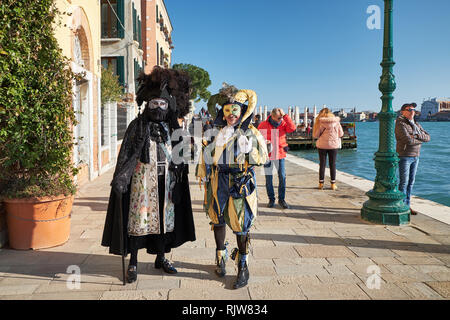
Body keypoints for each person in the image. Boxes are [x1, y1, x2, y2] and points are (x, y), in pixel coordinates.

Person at [101, 66, 196, 284]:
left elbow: (182, 155)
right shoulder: (137, 125)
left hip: (167, 183)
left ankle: (161, 258)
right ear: (148, 104)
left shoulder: (172, 127)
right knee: (139, 221)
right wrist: (121, 178)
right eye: (155, 104)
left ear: (168, 105)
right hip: (142, 183)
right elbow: (127, 154)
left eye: (163, 104)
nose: (159, 107)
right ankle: (133, 262)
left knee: (164, 222)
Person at [196, 84, 268, 289]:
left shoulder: (251, 131)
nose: (231, 115)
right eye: (227, 111)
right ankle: (220, 257)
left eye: (235, 110)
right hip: (218, 182)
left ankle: (243, 265)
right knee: (217, 220)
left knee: (241, 224)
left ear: (242, 111)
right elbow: (207, 156)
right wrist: (204, 171)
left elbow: (262, 158)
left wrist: (249, 147)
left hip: (239, 182)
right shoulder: (216, 131)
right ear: (222, 112)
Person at [395, 103, 430, 215]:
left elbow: (428, 137)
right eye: (409, 109)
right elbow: (407, 140)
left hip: (416, 156)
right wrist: (419, 139)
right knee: (403, 183)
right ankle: (400, 205)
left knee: (411, 183)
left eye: (414, 109)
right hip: (405, 155)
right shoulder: (400, 124)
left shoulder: (416, 124)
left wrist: (416, 136)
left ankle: (407, 205)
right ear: (402, 112)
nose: (412, 111)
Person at [257, 108, 296, 209]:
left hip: (280, 154)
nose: (280, 119)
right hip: (268, 155)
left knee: (282, 177)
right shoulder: (263, 125)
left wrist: (285, 116)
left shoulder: (283, 123)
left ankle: (282, 199)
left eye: (281, 117)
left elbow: (292, 128)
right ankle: (271, 199)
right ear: (272, 116)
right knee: (269, 179)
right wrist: (265, 141)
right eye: (278, 118)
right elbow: (258, 138)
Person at [312, 107, 344, 191]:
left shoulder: (320, 122)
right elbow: (341, 134)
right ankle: (333, 184)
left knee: (322, 164)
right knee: (332, 164)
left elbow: (315, 135)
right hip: (333, 145)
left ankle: (321, 183)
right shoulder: (336, 122)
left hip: (322, 145)